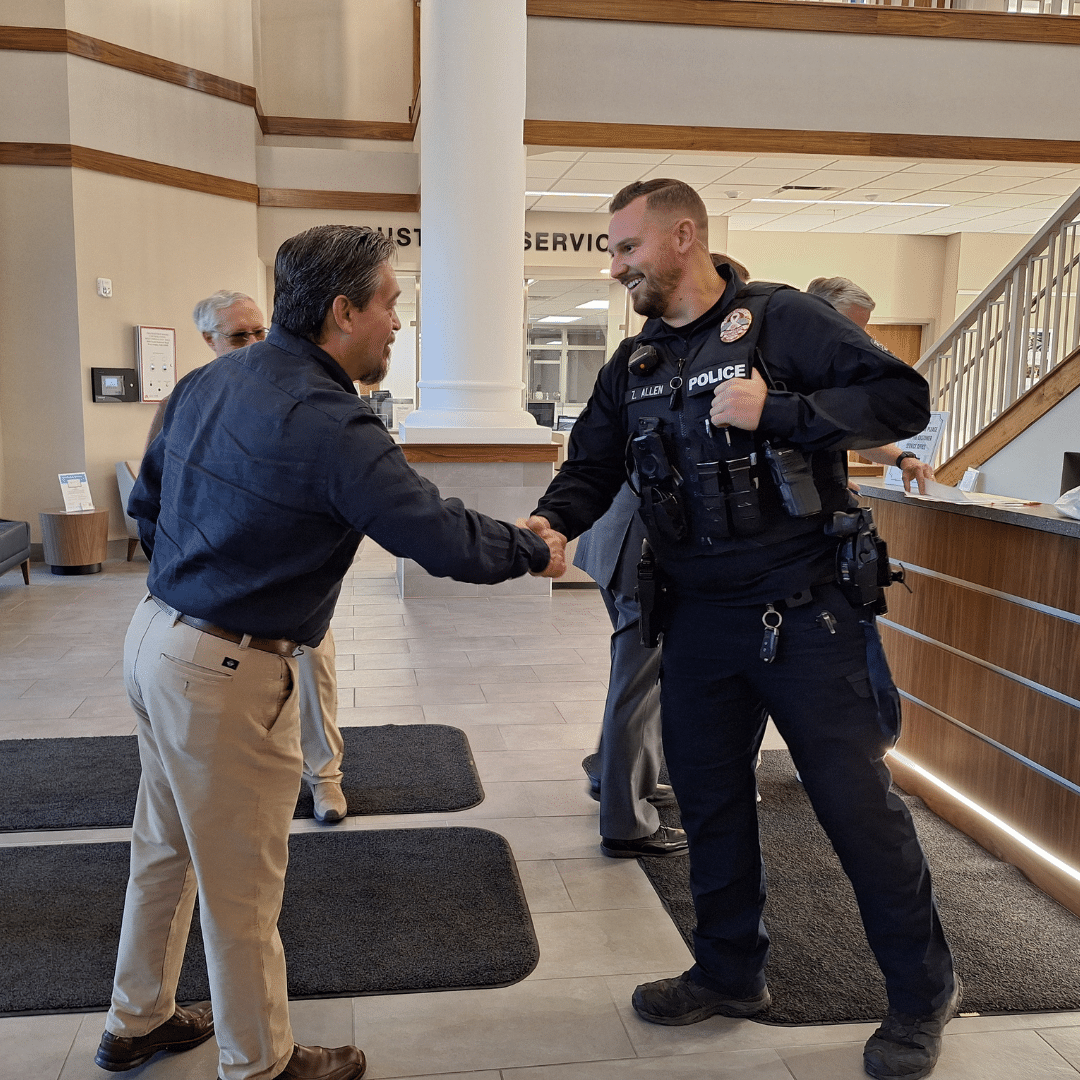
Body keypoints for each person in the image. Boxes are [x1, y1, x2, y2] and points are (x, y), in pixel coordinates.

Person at [97, 225, 563, 1080]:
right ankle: (262, 1064)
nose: (397, 322)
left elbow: (148, 505)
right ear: (342, 311)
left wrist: (203, 570)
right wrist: (534, 548)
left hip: (156, 641)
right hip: (224, 670)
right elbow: (436, 534)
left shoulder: (208, 381)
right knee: (242, 888)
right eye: (389, 303)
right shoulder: (334, 423)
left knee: (162, 845)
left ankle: (137, 1020)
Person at [522, 179, 958, 1080]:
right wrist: (553, 523)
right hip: (699, 623)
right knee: (713, 807)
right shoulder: (636, 364)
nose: (615, 268)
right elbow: (593, 462)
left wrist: (784, 414)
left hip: (809, 621)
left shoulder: (784, 321)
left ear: (684, 237)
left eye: (626, 248)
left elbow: (900, 400)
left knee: (856, 810)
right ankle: (729, 970)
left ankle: (921, 995)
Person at [147, 291, 349, 823]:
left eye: (261, 331)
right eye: (240, 336)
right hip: (220, 604)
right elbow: (152, 497)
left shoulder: (298, 394)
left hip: (295, 588)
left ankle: (325, 779)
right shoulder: (193, 396)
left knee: (317, 673)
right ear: (209, 342)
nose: (256, 343)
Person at [574, 252, 750, 859]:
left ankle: (613, 770)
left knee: (638, 673)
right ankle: (625, 819)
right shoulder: (667, 365)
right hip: (638, 549)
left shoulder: (652, 359)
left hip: (616, 543)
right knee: (639, 678)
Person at [806, 277, 935, 494]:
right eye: (849, 329)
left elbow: (851, 432)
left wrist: (903, 459)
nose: (857, 340)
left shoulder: (836, 371)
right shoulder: (781, 365)